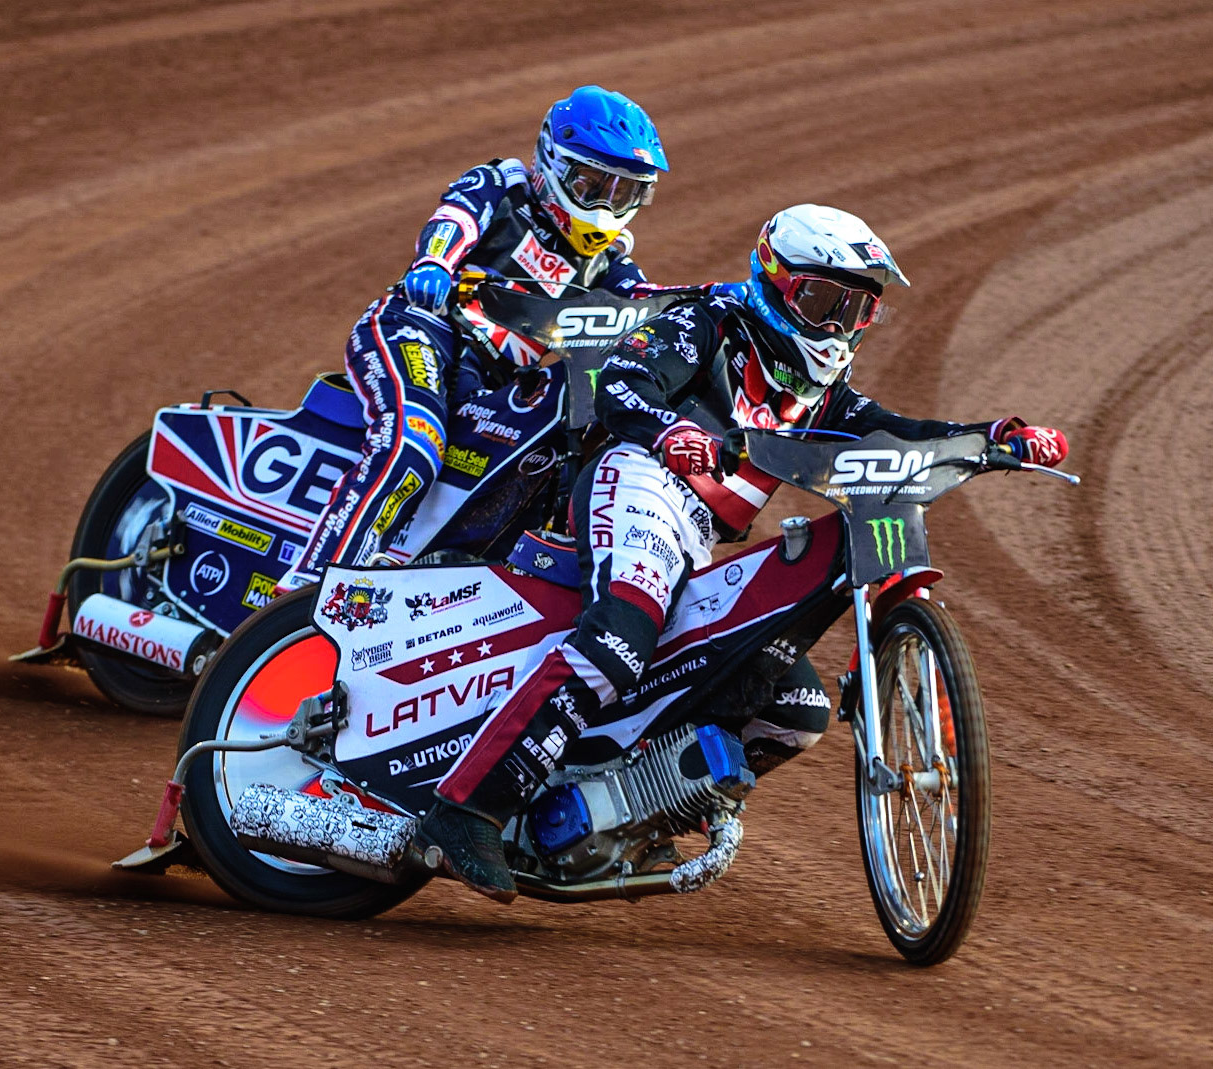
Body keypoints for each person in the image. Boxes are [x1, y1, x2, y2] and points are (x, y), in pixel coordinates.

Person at [415, 203, 1069, 901]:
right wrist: (669, 431)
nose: (837, 327)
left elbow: (895, 432)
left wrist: (993, 438)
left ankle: (630, 807)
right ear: (776, 280)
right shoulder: (708, 321)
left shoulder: (820, 391)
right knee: (618, 641)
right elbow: (625, 384)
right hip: (638, 479)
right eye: (824, 301)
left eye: (857, 310)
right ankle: (466, 810)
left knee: (794, 709)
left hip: (692, 534)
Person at [277, 86, 678, 590]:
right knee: (412, 442)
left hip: (494, 384)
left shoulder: (610, 260)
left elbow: (648, 302)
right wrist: (436, 264)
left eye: (625, 192)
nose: (607, 205)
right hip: (421, 329)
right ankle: (310, 584)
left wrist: (713, 304)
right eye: (593, 184)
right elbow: (456, 218)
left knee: (539, 470)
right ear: (554, 162)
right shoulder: (504, 185)